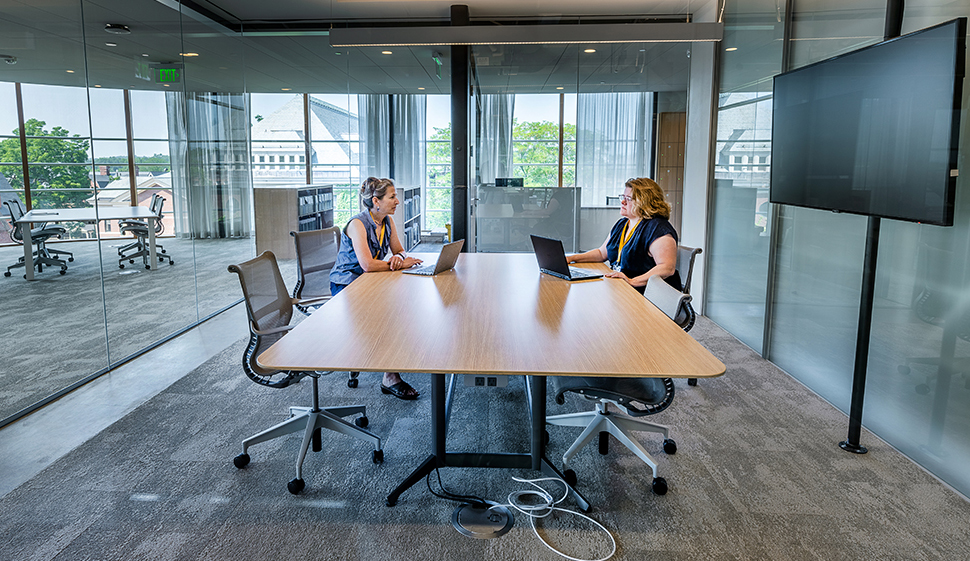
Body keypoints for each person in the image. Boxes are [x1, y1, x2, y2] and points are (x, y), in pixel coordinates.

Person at [329, 177, 424, 400]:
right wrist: (394, 264)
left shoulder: (387, 222)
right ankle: (390, 377)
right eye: (392, 197)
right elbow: (367, 264)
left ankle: (393, 363)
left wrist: (398, 259)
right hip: (347, 285)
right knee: (391, 314)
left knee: (405, 303)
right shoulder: (357, 224)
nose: (397, 201)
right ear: (376, 201)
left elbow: (399, 250)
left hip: (370, 280)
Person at [567, 177, 682, 294]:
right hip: (622, 289)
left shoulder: (658, 228)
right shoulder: (622, 224)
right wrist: (571, 258)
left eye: (628, 199)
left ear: (645, 202)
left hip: (648, 295)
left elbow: (667, 268)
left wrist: (632, 281)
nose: (623, 202)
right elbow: (602, 253)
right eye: (623, 197)